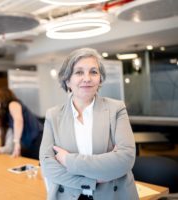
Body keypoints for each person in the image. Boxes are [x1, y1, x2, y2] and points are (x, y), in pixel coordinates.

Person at [39, 48, 138, 200]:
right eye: (79, 72)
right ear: (67, 80)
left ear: (100, 79)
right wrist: (91, 180)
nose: (87, 78)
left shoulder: (116, 109)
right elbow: (48, 166)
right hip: (68, 195)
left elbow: (125, 159)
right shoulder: (53, 115)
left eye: (93, 72)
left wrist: (68, 160)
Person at [0, 88, 43, 159]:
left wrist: (16, 143)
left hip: (36, 139)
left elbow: (18, 121)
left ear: (1, 98)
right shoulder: (7, 110)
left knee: (38, 163)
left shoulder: (13, 104)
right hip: (29, 141)